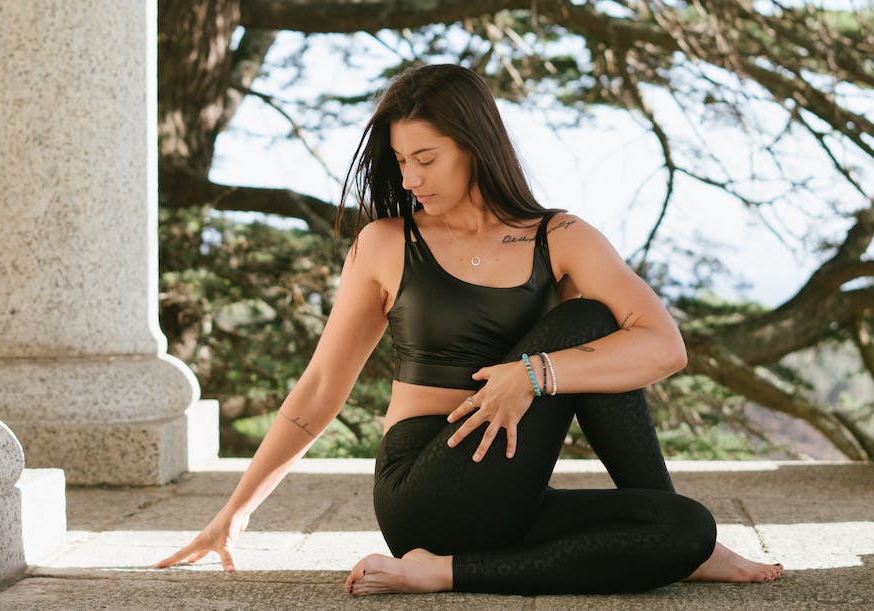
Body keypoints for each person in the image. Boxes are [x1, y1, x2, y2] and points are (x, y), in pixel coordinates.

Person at [155, 63, 784, 595]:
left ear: (474, 145)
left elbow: (664, 346)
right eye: (402, 161)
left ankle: (447, 572)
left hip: (508, 489)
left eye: (425, 159)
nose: (410, 179)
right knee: (587, 320)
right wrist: (236, 511)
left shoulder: (561, 237)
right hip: (424, 487)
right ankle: (438, 563)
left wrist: (533, 376)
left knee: (683, 527)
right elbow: (321, 386)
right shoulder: (387, 243)